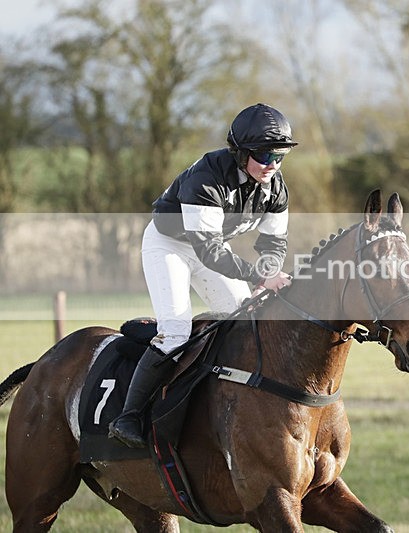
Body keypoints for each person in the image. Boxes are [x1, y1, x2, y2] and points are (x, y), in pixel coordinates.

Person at [108, 103, 296, 448]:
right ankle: (128, 416)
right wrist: (258, 278)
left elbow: (272, 242)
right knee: (177, 333)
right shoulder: (207, 178)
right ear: (241, 153)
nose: (273, 165)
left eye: (279, 156)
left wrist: (266, 270)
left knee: (245, 320)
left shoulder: (275, 186)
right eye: (265, 155)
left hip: (212, 249)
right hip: (169, 246)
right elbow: (209, 251)